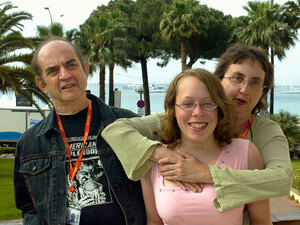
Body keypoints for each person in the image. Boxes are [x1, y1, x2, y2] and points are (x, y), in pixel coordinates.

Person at [101, 43, 293, 213]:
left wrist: (205, 173)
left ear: (262, 92)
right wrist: (162, 155)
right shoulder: (180, 121)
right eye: (237, 78)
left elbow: (282, 179)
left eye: (255, 83)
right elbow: (115, 131)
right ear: (217, 81)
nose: (245, 89)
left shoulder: (265, 131)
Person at [13, 37, 146, 225]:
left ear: (85, 68)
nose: (65, 75)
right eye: (53, 71)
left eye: (71, 65)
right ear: (42, 84)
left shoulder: (127, 123)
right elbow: (28, 207)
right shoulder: (30, 143)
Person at [142, 68, 270, 224]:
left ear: (220, 108)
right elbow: (153, 222)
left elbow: (261, 221)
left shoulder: (246, 154)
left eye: (208, 104)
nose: (197, 112)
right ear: (173, 109)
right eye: (187, 104)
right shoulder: (153, 160)